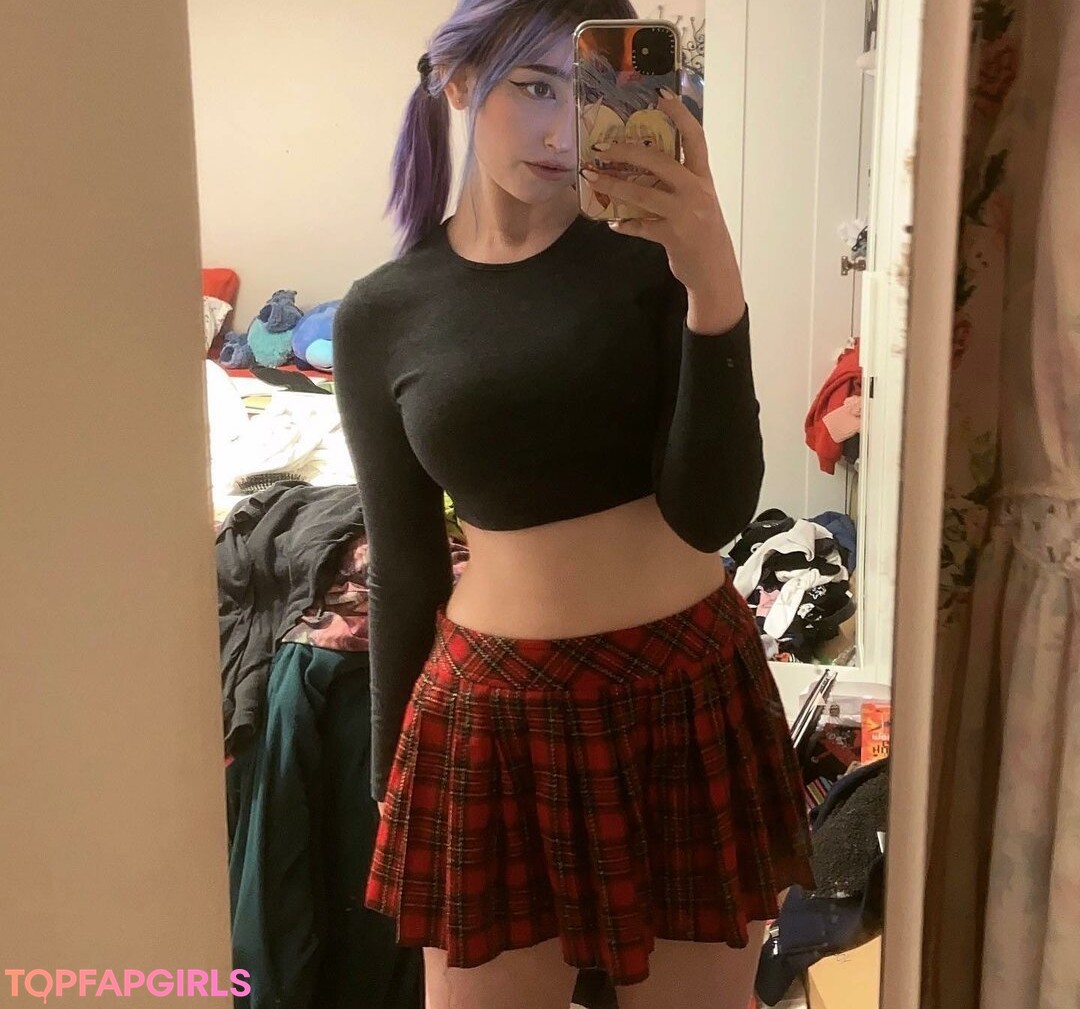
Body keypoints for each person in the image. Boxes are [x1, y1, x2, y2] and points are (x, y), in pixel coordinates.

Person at [332, 1, 814, 1006]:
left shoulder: (651, 259)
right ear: (459, 82)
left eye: (583, 91)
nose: (561, 129)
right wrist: (390, 783)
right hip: (489, 724)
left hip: (687, 695)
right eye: (534, 87)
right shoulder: (383, 311)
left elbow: (712, 511)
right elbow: (404, 564)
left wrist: (713, 281)